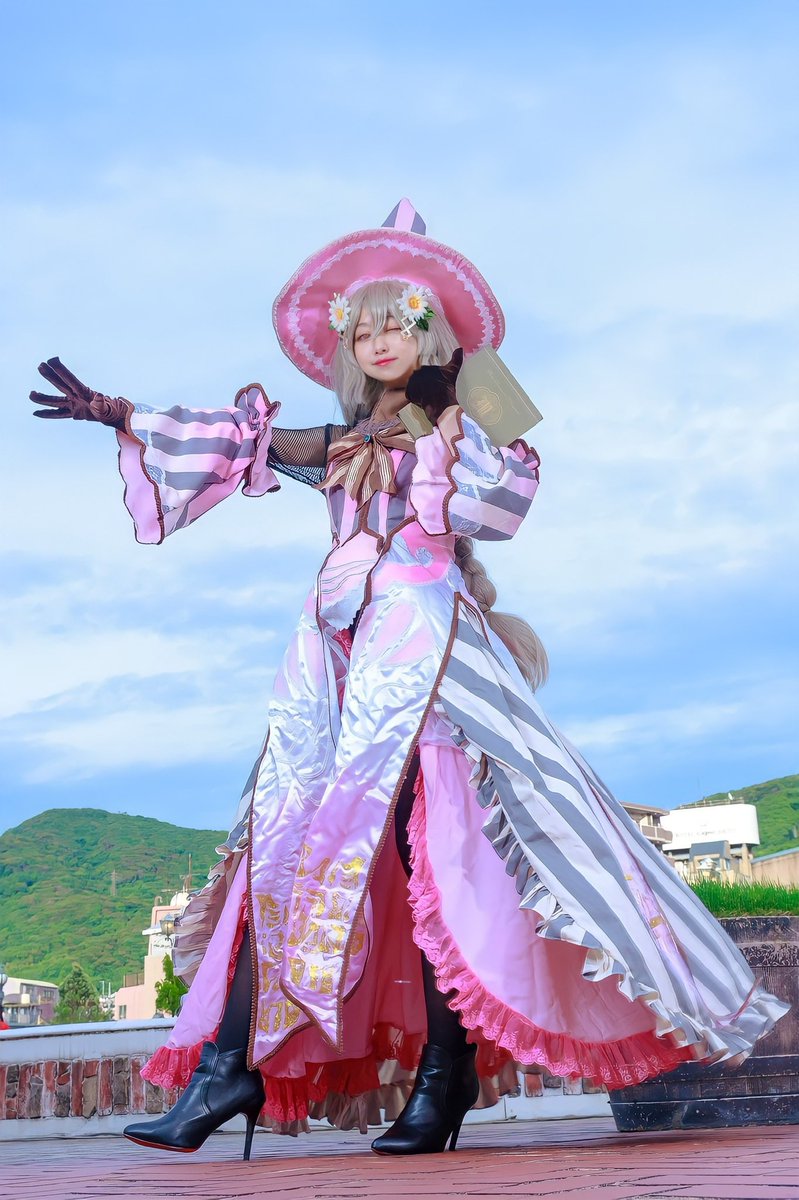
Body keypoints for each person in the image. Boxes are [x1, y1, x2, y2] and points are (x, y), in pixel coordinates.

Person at [31, 200, 786, 1161]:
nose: (380, 340)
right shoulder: (348, 435)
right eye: (364, 328)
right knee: (280, 842)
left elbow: (509, 495)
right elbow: (254, 445)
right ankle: (229, 1068)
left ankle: (445, 1073)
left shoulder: (466, 406)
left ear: (428, 330)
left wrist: (469, 409)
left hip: (426, 647)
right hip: (336, 654)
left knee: (431, 847)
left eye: (399, 322)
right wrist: (125, 414)